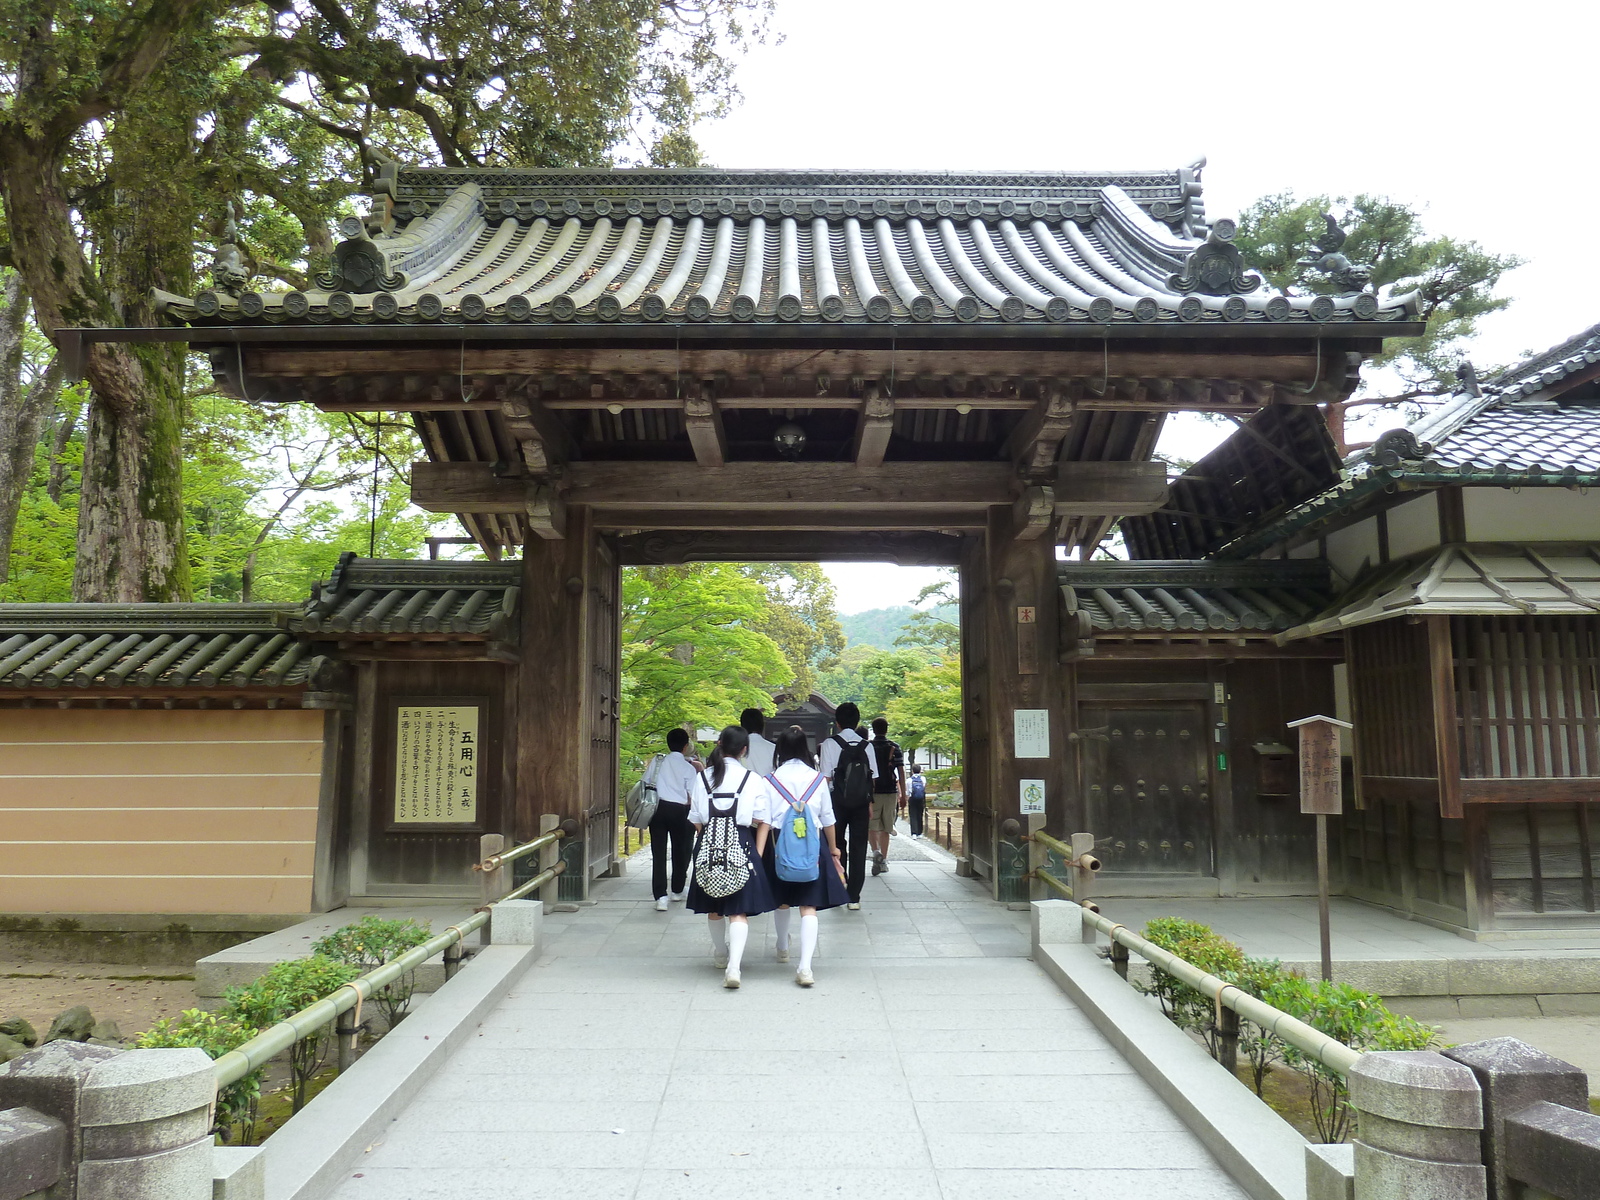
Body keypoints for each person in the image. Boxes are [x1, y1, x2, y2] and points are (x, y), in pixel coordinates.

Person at [755, 726, 848, 986]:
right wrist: (834, 848)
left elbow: (762, 818)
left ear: (780, 751)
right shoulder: (818, 779)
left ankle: (783, 946)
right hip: (812, 845)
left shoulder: (769, 780)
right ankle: (805, 967)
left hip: (778, 843)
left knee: (782, 900)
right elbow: (828, 819)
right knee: (809, 906)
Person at [685, 725, 776, 988]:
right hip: (743, 844)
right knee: (738, 911)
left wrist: (710, 838)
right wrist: (757, 856)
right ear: (744, 750)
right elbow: (764, 821)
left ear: (720, 744)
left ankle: (720, 954)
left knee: (714, 908)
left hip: (709, 844)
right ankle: (734, 968)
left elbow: (696, 819)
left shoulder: (703, 778)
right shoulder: (753, 779)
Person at [817, 701, 878, 910]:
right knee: (859, 846)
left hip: (837, 801)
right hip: (861, 803)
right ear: (857, 721)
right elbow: (872, 779)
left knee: (837, 845)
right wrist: (869, 802)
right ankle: (854, 897)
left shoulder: (828, 744)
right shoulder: (867, 745)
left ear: (837, 722)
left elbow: (825, 779)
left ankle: (841, 887)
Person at [649, 729, 701, 911]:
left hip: (657, 809)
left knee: (658, 852)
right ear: (686, 746)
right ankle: (677, 890)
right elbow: (693, 795)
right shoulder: (688, 768)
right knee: (682, 850)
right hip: (681, 811)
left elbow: (646, 782)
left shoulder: (657, 761)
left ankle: (660, 896)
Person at [867, 717, 907, 874]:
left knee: (872, 826)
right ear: (886, 729)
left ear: (873, 729)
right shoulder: (894, 747)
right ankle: (883, 860)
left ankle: (875, 852)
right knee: (886, 827)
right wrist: (903, 794)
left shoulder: (868, 747)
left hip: (872, 791)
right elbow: (901, 772)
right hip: (890, 791)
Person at [741, 707, 776, 776]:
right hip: (767, 785)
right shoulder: (774, 748)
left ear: (742, 725)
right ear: (762, 725)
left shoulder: (737, 749)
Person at [907, 764, 927, 839]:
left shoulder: (909, 780)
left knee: (913, 815)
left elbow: (908, 791)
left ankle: (914, 833)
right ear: (920, 770)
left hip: (912, 798)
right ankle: (920, 832)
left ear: (912, 771)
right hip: (921, 798)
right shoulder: (923, 779)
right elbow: (924, 787)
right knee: (920, 814)